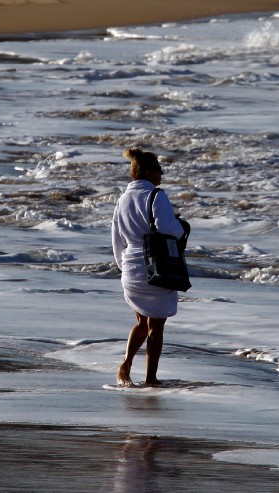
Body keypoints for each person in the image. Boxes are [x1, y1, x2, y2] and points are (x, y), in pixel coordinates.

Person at [111, 146, 185, 387]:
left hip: (131, 269)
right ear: (150, 172)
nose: (162, 175)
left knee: (142, 322)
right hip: (155, 268)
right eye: (160, 170)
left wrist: (123, 266)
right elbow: (168, 229)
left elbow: (116, 237)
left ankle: (126, 363)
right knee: (157, 327)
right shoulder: (156, 195)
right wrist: (181, 226)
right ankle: (151, 378)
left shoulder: (123, 198)